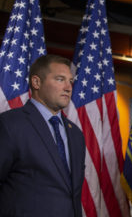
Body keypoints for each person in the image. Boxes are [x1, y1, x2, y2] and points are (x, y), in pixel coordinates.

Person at [0, 54, 86, 217]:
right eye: (60, 79)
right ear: (36, 82)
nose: (68, 87)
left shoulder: (75, 134)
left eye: (70, 81)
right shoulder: (10, 124)